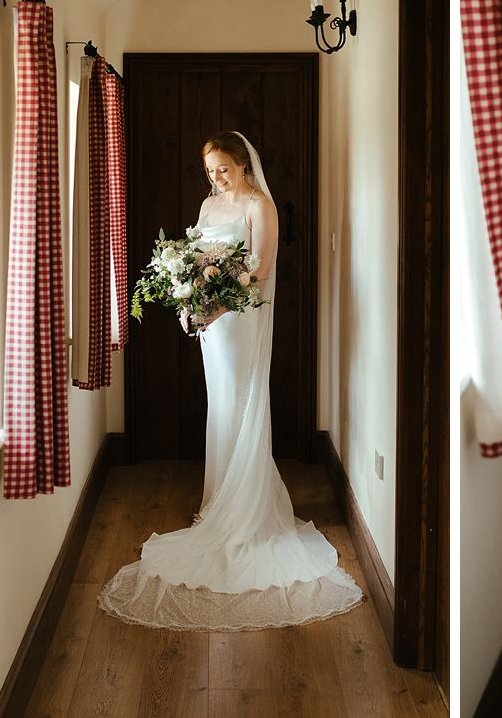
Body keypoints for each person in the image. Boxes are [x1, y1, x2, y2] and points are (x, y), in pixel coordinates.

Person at [98, 131, 363, 631]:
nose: (216, 178)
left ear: (243, 165)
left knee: (239, 402)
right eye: (210, 171)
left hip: (238, 321)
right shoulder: (208, 203)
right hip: (209, 326)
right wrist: (187, 298)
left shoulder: (260, 206)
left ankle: (242, 509)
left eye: (223, 169)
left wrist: (215, 305)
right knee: (218, 405)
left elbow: (259, 269)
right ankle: (217, 501)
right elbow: (195, 255)